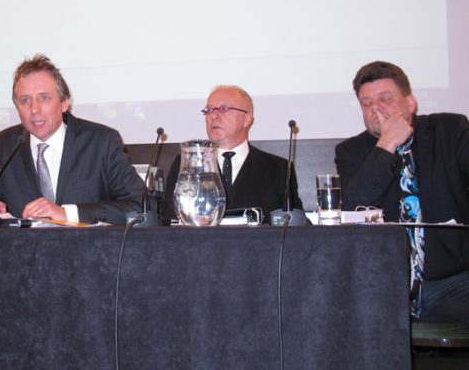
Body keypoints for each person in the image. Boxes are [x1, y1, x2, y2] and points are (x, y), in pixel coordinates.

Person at [335, 61, 469, 326]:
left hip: (454, 281)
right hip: (384, 285)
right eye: (367, 103)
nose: (376, 109)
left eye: (385, 99)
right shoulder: (351, 151)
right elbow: (354, 209)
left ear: (410, 103)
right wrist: (386, 145)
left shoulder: (450, 130)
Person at [0, 54, 144, 225]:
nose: (34, 109)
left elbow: (139, 205)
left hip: (89, 249)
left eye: (44, 98)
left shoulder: (101, 142)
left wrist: (67, 213)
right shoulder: (4, 145)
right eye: (25, 100)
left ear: (64, 103)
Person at [162, 85, 302, 225]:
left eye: (224, 109)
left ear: (247, 119)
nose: (214, 116)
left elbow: (297, 223)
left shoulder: (278, 169)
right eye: (209, 110)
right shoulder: (187, 164)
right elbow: (168, 217)